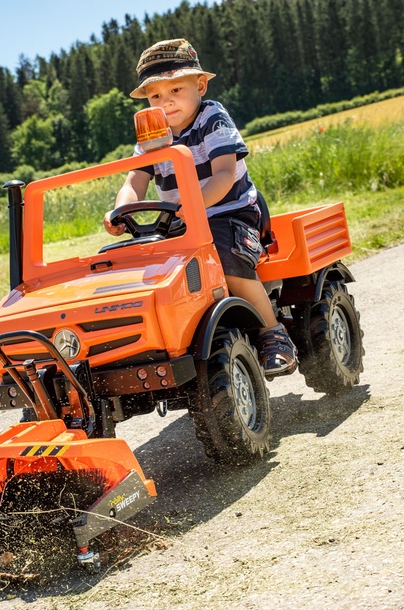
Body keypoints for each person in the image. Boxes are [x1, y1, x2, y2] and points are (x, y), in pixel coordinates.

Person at [103, 38, 297, 377]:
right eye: (155, 95)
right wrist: (121, 210)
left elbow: (223, 174)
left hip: (229, 212)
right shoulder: (151, 133)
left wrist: (194, 205)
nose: (166, 102)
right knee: (139, 264)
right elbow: (134, 182)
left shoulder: (212, 117)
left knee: (225, 257)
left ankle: (273, 334)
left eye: (176, 89)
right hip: (181, 223)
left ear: (200, 85)